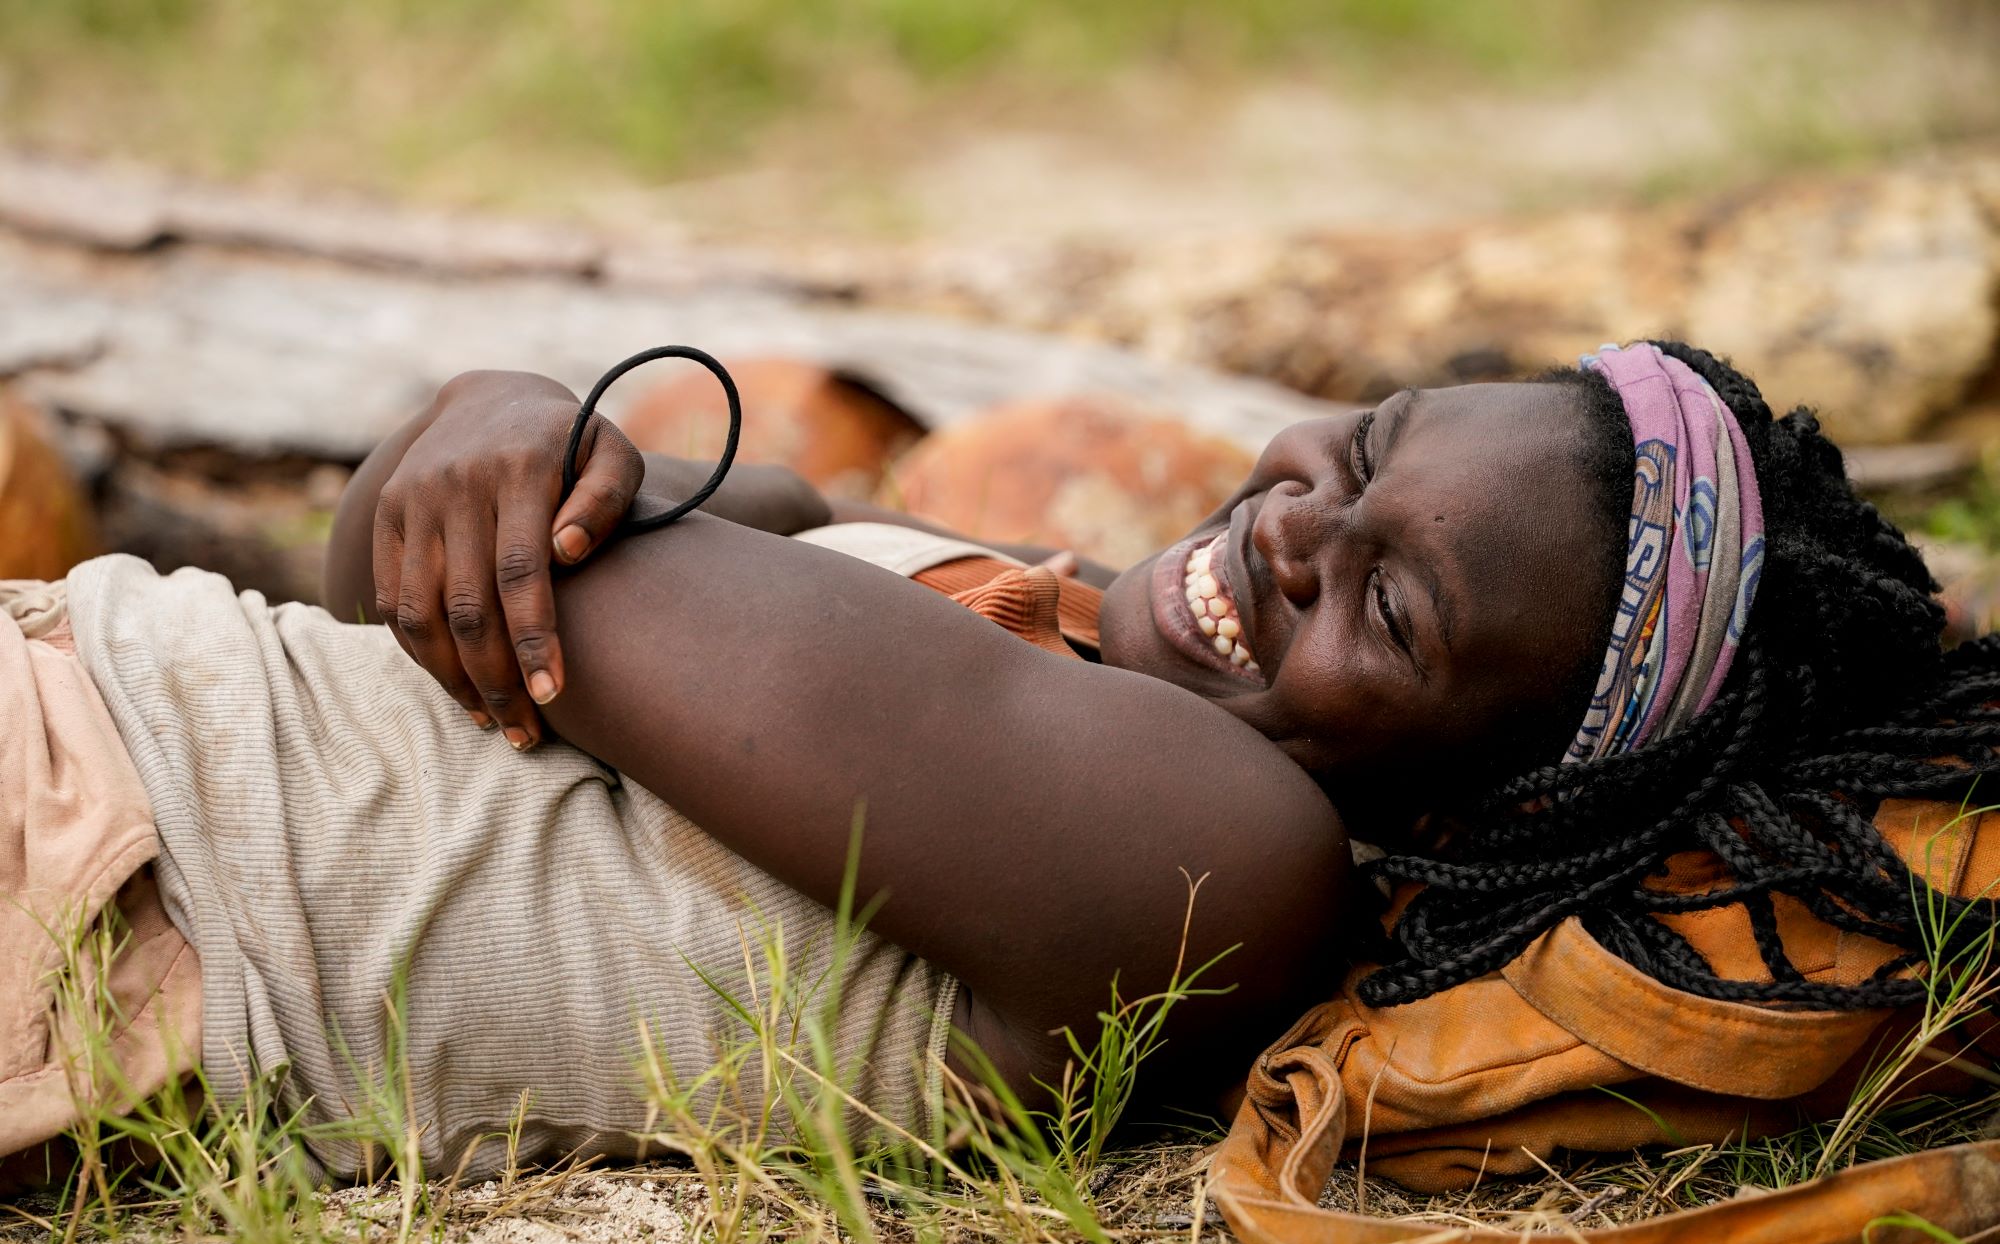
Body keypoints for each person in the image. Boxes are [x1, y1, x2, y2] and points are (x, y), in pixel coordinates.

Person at [2, 339, 1984, 1188]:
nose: (1296, 524)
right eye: (1365, 449)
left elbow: (563, 607)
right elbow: (404, 577)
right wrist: (495, 426)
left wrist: (533, 445)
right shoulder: (1008, 610)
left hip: (96, 854)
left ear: (1493, 811)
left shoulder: (1218, 858)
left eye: (1388, 614)